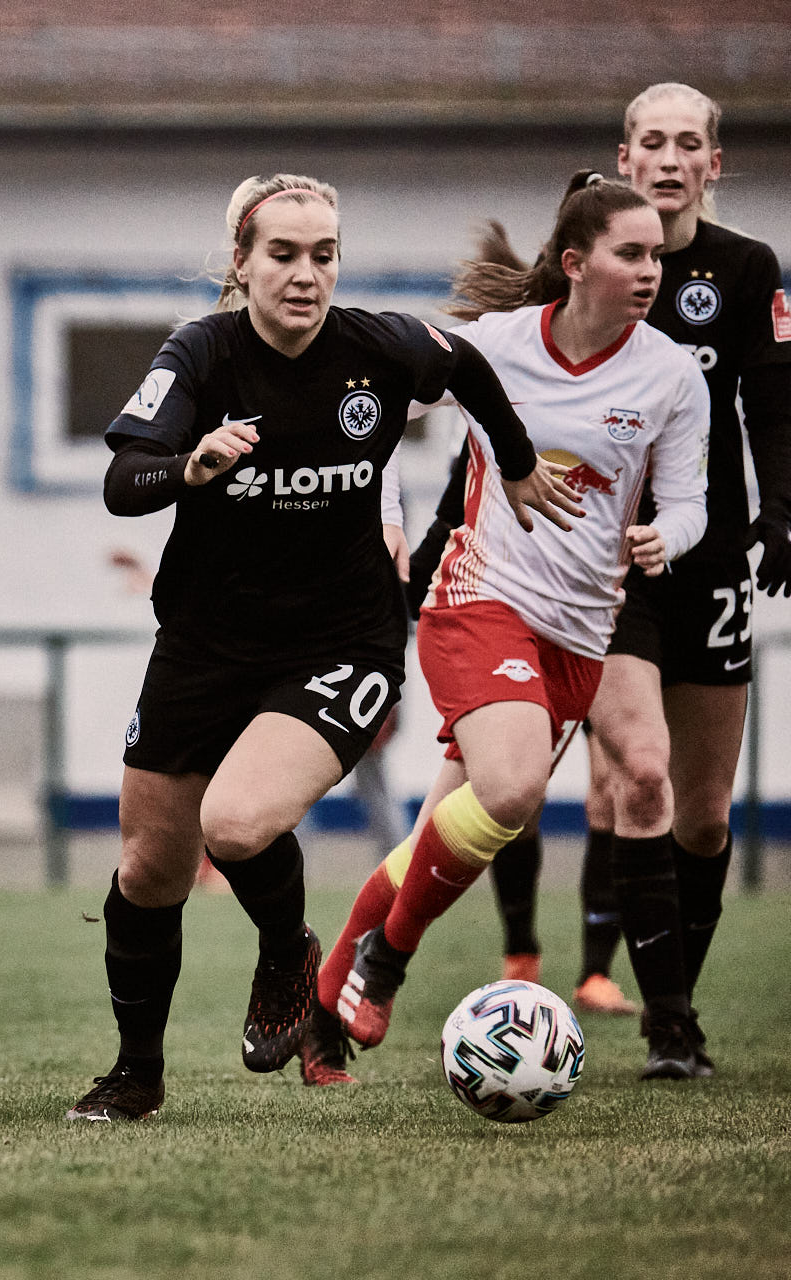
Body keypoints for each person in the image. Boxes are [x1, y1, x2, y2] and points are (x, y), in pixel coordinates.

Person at [68, 174, 573, 1122]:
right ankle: (136, 1075)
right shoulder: (202, 354)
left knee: (239, 822)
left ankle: (286, 951)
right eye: (285, 255)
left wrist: (513, 460)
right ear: (243, 265)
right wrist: (191, 464)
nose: (306, 275)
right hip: (206, 641)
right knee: (147, 871)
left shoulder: (377, 347)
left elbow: (463, 364)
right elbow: (123, 482)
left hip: (342, 639)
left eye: (324, 255)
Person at [305, 173, 711, 1084]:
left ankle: (326, 997)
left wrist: (662, 537)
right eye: (631, 254)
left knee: (461, 826)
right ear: (575, 264)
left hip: (582, 634)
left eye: (657, 255)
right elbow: (365, 423)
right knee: (515, 788)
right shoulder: (490, 346)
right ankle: (388, 961)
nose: (653, 271)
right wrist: (389, 519)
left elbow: (690, 502)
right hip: (479, 602)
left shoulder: (670, 375)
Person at [583, 83, 791, 1079]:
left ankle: (677, 1001)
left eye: (688, 144)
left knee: (704, 812)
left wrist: (782, 509)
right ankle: (668, 1020)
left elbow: (772, 401)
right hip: (611, 561)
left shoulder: (747, 269)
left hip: (708, 558)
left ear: (715, 163)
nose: (669, 158)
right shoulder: (585, 262)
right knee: (642, 774)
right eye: (651, 142)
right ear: (625, 157)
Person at [407, 443, 640, 1017]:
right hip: (518, 613)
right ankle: (521, 954)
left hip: (602, 613)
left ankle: (595, 973)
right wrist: (422, 559)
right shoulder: (511, 389)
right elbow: (464, 482)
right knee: (517, 791)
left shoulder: (644, 393)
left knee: (616, 784)